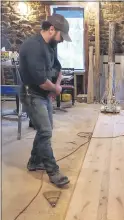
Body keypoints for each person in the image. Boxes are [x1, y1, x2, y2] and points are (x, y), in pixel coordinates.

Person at [19, 14, 72, 188]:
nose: (62, 41)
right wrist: (55, 88)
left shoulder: (51, 44)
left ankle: (34, 162)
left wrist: (56, 84)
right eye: (61, 36)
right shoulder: (33, 47)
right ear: (51, 29)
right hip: (32, 95)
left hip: (43, 93)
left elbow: (57, 67)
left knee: (45, 130)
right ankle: (53, 171)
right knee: (46, 132)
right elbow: (41, 81)